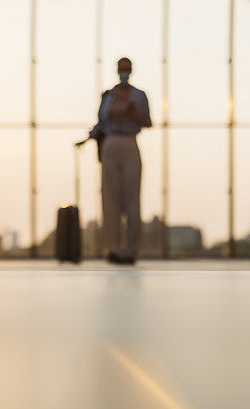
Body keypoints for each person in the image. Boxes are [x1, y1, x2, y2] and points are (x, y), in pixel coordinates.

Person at [80, 57, 152, 265]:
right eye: (121, 69)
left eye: (126, 69)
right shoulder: (108, 95)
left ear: (131, 70)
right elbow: (101, 122)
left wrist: (132, 112)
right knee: (109, 197)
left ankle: (131, 249)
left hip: (130, 143)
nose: (124, 72)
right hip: (111, 144)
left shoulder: (139, 96)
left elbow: (147, 121)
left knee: (132, 198)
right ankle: (112, 247)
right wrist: (88, 138)